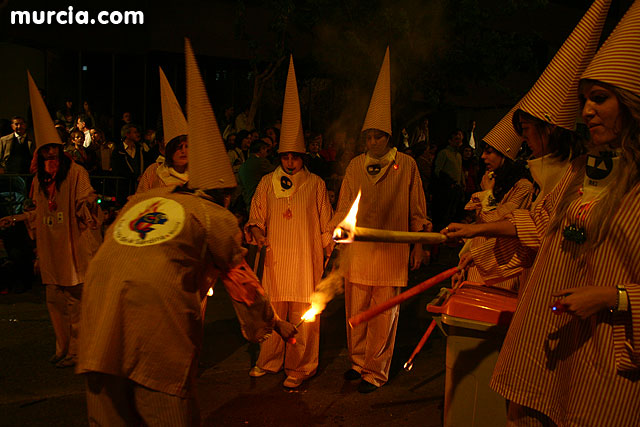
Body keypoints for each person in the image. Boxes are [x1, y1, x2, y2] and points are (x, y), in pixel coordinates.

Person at [77, 38, 296, 426]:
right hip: (154, 320)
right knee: (168, 411)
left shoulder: (145, 201)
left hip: (98, 314)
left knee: (109, 416)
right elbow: (242, 281)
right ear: (225, 195)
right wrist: (270, 323)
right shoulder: (215, 215)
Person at [330, 47, 431, 393]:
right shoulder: (356, 165)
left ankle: (375, 371)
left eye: (379, 135)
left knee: (383, 313)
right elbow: (343, 207)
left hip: (390, 254)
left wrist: (418, 243)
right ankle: (358, 362)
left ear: (389, 136)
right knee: (356, 311)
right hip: (358, 253)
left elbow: (418, 210)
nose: (373, 141)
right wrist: (336, 240)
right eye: (368, 136)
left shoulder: (407, 165)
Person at [0, 72, 103, 368]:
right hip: (50, 251)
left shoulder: (77, 175)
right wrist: (16, 218)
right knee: (55, 302)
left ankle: (78, 351)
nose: (51, 161)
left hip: (74, 249)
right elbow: (38, 213)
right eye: (45, 156)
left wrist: (89, 205)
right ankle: (62, 347)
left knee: (77, 304)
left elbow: (89, 202)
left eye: (55, 155)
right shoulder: (38, 181)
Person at [245, 57, 333, 389]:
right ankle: (268, 360)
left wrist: (327, 252)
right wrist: (255, 230)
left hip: (306, 261)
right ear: (279, 156)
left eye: (295, 156)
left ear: (303, 157)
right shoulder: (267, 182)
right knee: (273, 310)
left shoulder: (316, 184)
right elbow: (256, 216)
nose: (291, 161)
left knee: (304, 315)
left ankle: (301, 367)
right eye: (285, 156)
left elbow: (326, 224)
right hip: (276, 259)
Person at [137, 67, 189, 194]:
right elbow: (139, 198)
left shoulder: (198, 175)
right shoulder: (154, 171)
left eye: (187, 146)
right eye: (178, 147)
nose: (183, 151)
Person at [238, 139, 274, 214]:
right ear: (261, 149)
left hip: (248, 203)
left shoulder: (243, 166)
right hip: (260, 203)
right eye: (265, 150)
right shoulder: (261, 162)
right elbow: (277, 172)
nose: (266, 154)